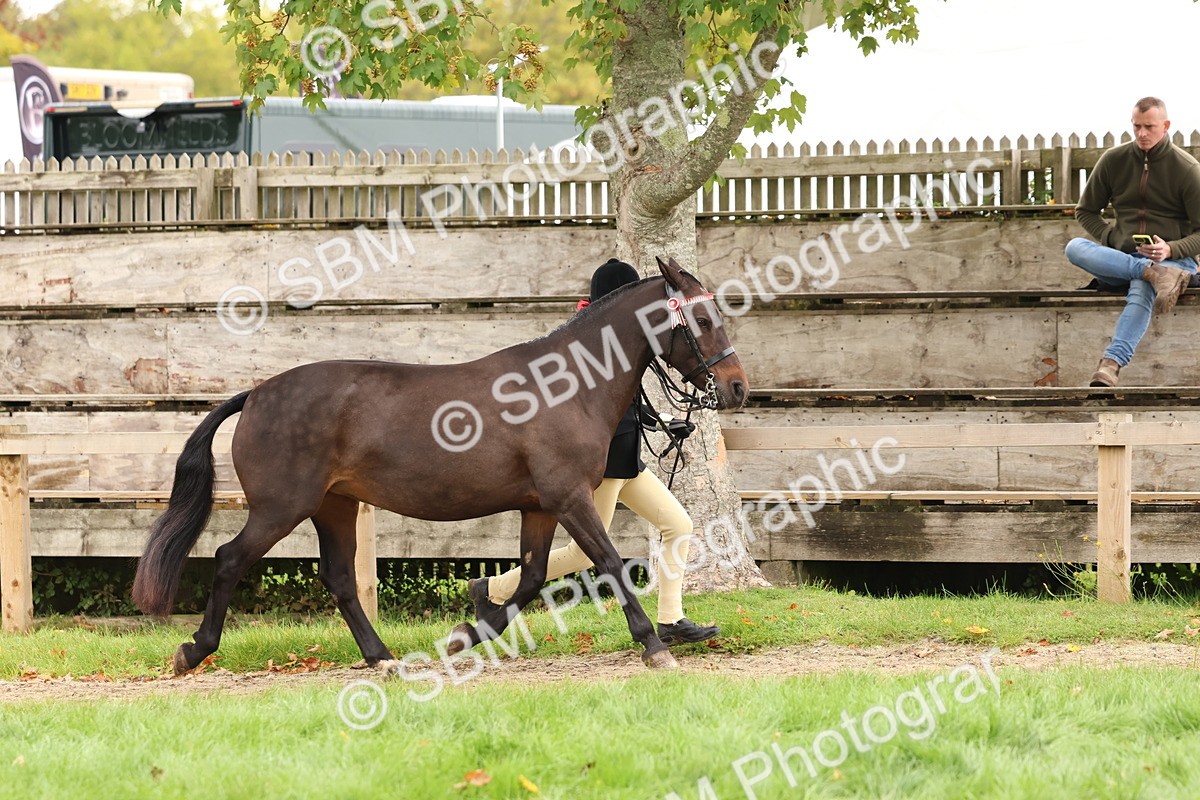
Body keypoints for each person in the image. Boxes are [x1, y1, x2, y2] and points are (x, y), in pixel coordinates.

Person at [467, 258, 720, 646]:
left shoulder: (622, 344)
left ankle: (671, 620)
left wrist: (665, 420)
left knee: (678, 526)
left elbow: (631, 407)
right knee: (581, 555)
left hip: (627, 463)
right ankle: (493, 590)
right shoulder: (595, 348)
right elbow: (594, 418)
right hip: (600, 466)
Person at [1065, 96, 1200, 388]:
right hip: (1123, 260)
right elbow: (1085, 211)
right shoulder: (1113, 161)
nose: (1141, 133)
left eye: (1149, 126)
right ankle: (1147, 271)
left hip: (1174, 262)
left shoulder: (1187, 169)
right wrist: (1111, 237)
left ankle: (1110, 365)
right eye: (1136, 126)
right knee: (1074, 247)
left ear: (1165, 126)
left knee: (1142, 286)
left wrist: (1171, 249)